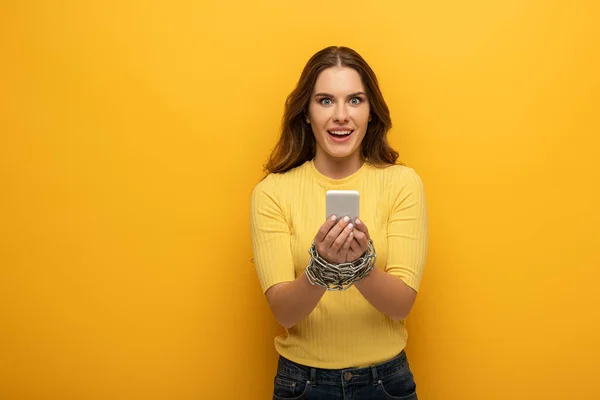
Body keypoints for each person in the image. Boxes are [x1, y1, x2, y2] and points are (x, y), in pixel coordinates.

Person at [250, 46, 428, 400]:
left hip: (386, 383)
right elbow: (284, 313)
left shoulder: (403, 184)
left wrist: (359, 267)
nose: (341, 115)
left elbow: (401, 304)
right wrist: (321, 269)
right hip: (302, 385)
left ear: (371, 113)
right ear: (306, 113)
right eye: (326, 101)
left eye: (355, 100)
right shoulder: (272, 193)